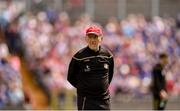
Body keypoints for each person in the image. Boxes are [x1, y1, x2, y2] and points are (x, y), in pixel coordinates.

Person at [67, 25, 114, 110]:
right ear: (86, 38)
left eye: (95, 37)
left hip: (103, 100)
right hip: (86, 100)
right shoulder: (79, 57)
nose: (92, 40)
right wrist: (83, 88)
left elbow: (109, 76)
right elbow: (70, 77)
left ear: (101, 38)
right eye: (90, 37)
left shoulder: (108, 55)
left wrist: (102, 88)